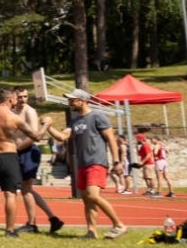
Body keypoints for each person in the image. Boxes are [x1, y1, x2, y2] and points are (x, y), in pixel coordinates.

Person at [48, 89, 128, 238]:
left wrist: (117, 161)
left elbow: (111, 139)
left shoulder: (98, 116)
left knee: (93, 195)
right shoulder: (75, 121)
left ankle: (119, 224)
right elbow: (62, 136)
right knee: (86, 198)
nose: (69, 102)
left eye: (72, 99)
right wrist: (48, 126)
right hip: (82, 164)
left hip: (96, 162)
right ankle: (92, 231)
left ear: (82, 100)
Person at [0, 88, 48, 237]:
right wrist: (47, 124)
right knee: (10, 194)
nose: (16, 102)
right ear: (10, 100)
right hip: (8, 156)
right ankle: (9, 230)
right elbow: (37, 136)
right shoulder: (14, 118)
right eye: (15, 99)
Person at [11, 88, 64, 234]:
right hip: (18, 151)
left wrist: (18, 148)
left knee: (26, 189)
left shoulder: (29, 112)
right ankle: (53, 218)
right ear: (14, 97)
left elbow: (34, 135)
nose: (23, 99)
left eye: (25, 96)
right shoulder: (12, 111)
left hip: (28, 151)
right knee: (26, 189)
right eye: (20, 97)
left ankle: (32, 224)